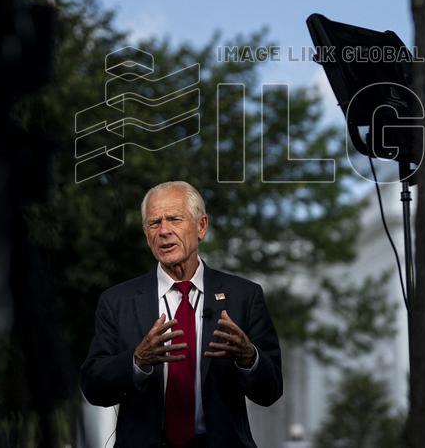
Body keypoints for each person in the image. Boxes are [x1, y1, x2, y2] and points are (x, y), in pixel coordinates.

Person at [80, 181, 282, 448]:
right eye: (154, 223)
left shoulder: (244, 296)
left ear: (201, 226)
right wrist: (136, 361)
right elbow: (94, 387)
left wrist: (248, 358)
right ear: (146, 234)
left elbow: (270, 391)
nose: (164, 231)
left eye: (174, 219)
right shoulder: (117, 301)